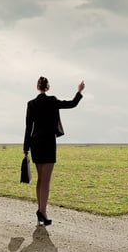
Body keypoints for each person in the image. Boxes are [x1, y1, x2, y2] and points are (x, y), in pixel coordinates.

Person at [23, 76, 85, 226]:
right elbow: (71, 104)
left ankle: (40, 211)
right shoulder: (52, 101)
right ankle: (42, 212)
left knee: (40, 179)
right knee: (46, 180)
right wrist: (79, 91)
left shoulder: (31, 104)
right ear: (48, 87)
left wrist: (26, 148)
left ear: (37, 87)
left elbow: (28, 127)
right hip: (49, 143)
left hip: (36, 143)